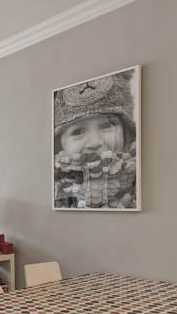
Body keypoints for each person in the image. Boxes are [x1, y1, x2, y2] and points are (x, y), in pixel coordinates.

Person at [54, 69, 138, 209]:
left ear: (126, 132)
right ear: (59, 145)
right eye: (78, 131)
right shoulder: (58, 193)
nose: (94, 142)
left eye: (107, 125)